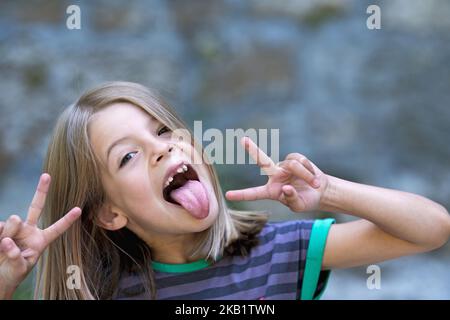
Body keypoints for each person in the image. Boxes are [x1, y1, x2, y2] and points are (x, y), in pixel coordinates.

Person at [0, 82, 449, 300]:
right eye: (127, 157)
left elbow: (430, 230)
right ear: (110, 213)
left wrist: (329, 191)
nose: (161, 149)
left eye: (162, 130)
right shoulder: (105, 293)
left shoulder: (280, 252)